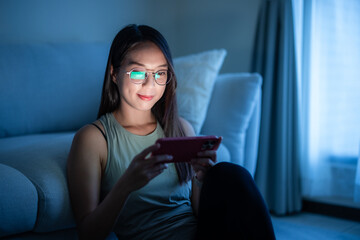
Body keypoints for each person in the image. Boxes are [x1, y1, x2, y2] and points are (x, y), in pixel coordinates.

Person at [67, 24, 275, 240]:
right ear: (114, 73)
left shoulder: (180, 128)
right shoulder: (93, 139)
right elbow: (88, 234)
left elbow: (197, 213)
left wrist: (202, 178)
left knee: (230, 175)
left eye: (160, 73)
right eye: (138, 72)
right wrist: (126, 185)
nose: (150, 84)